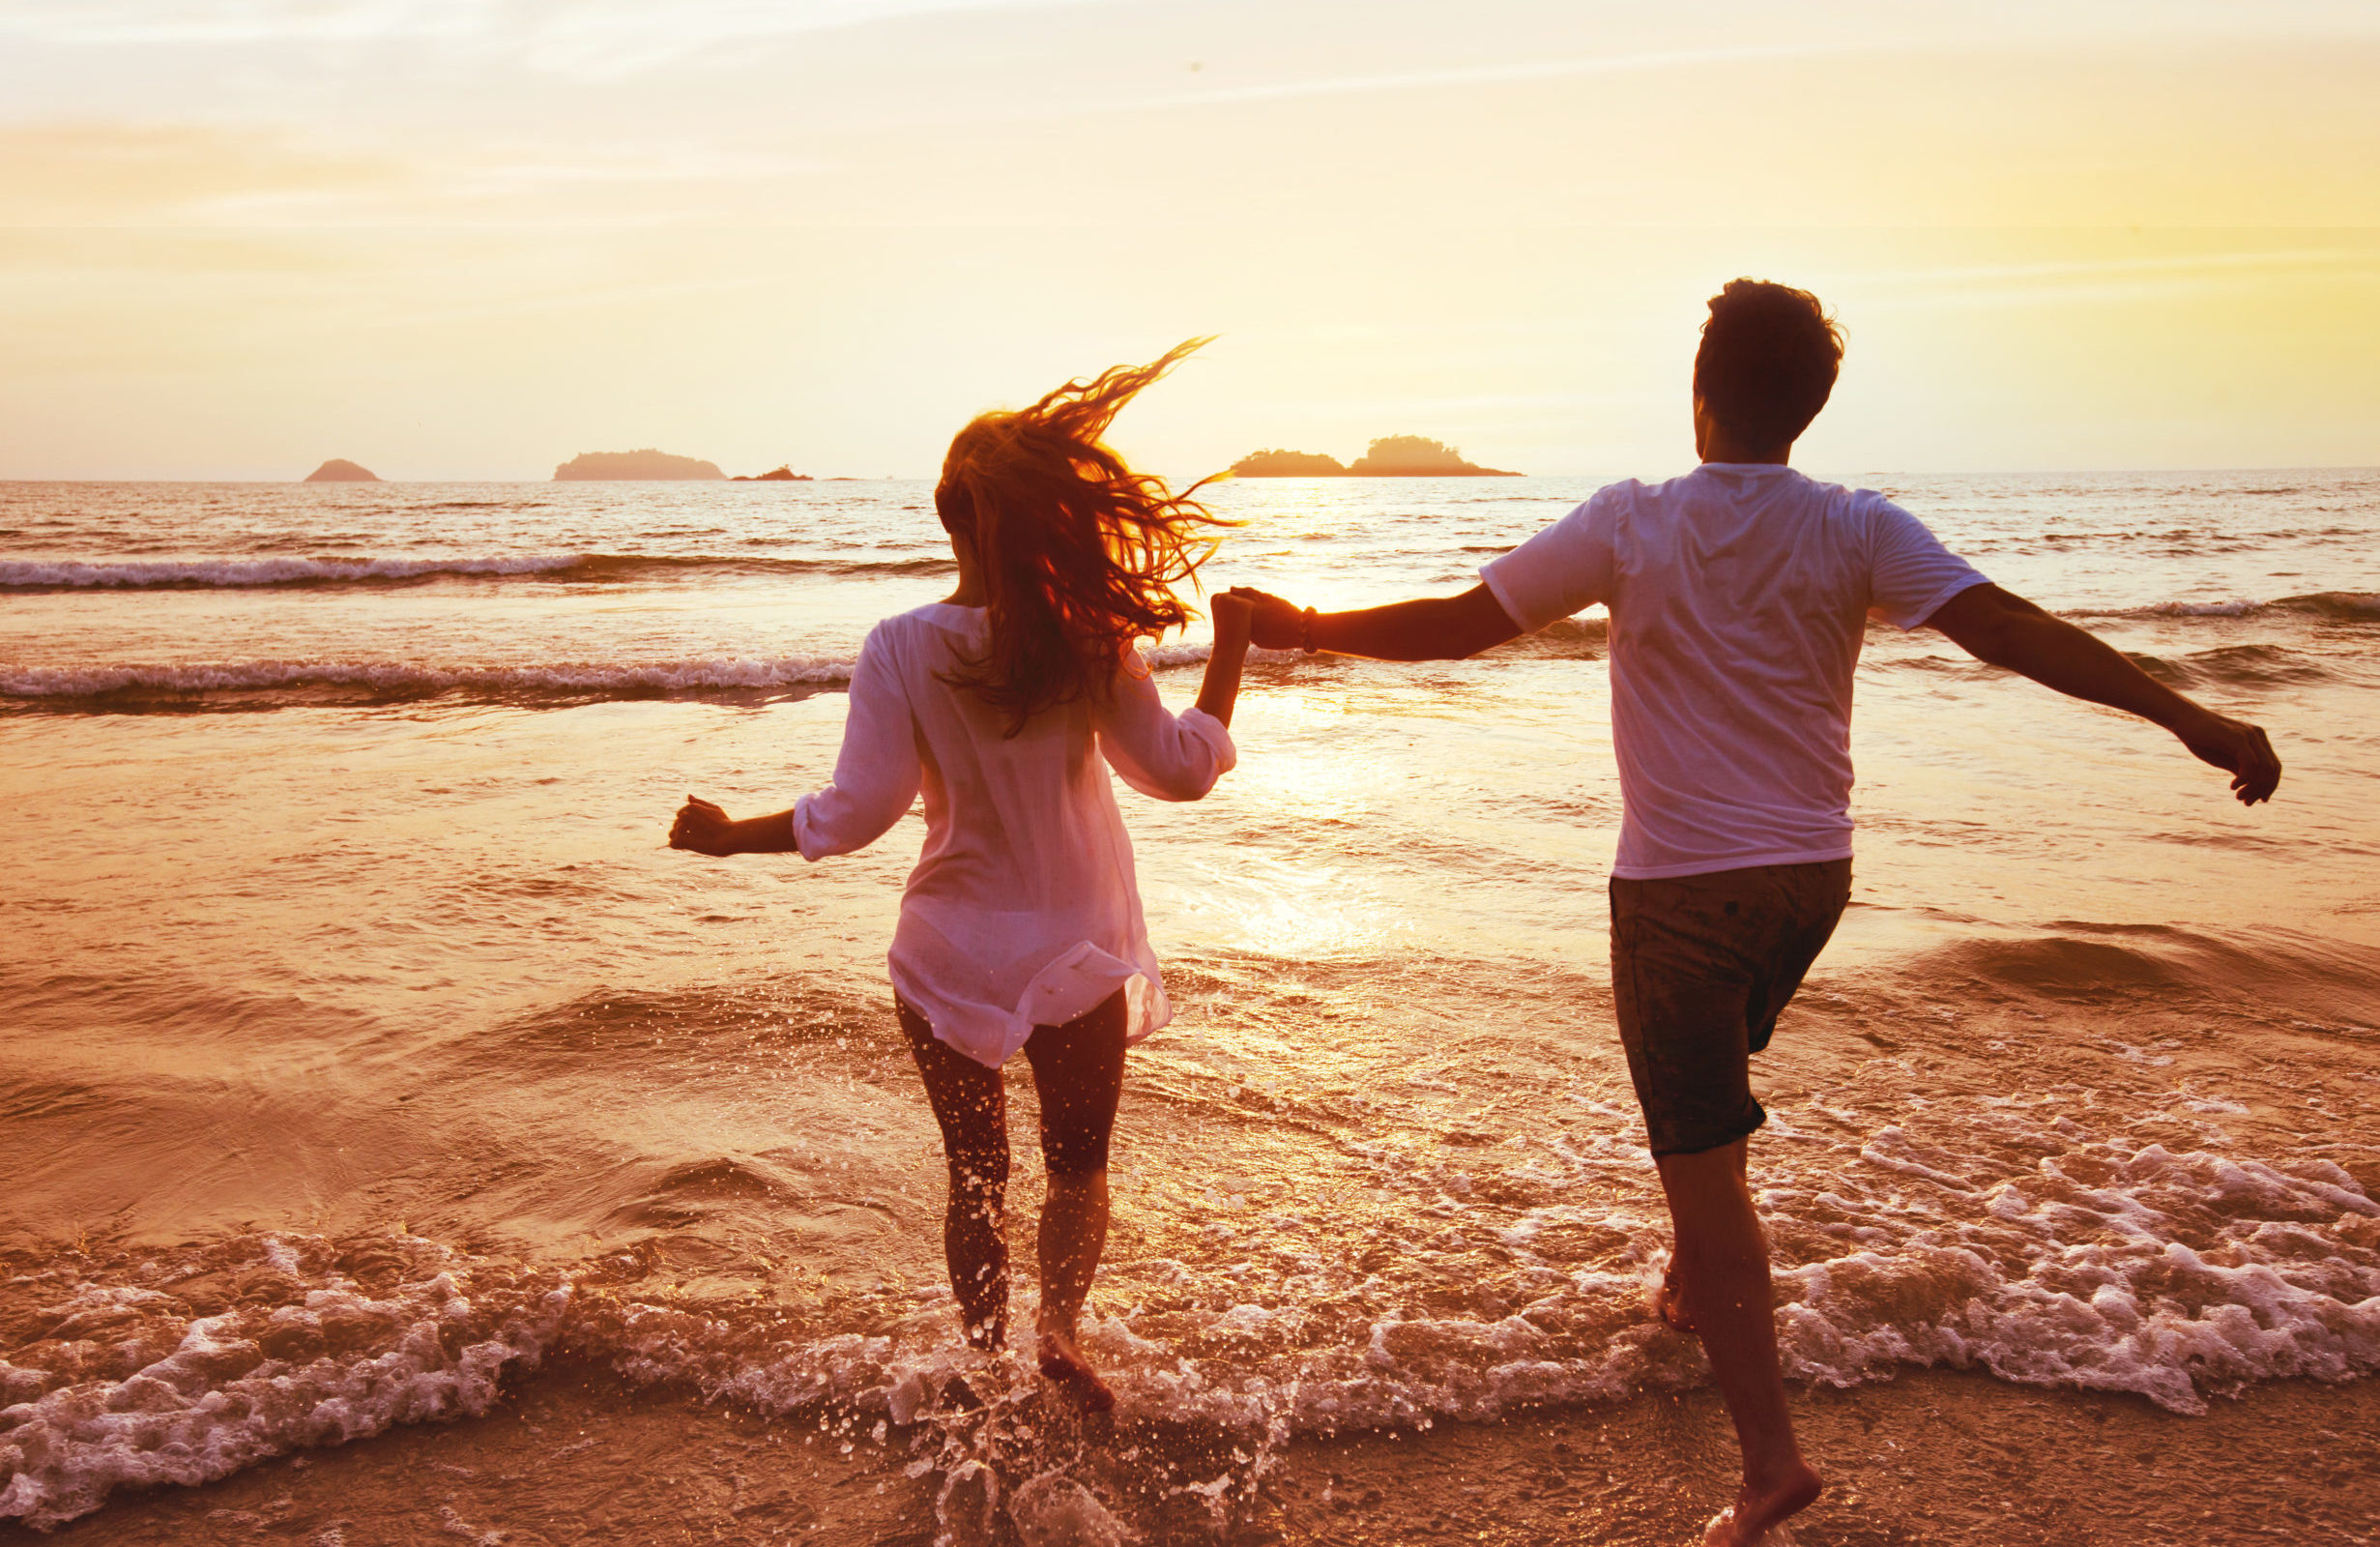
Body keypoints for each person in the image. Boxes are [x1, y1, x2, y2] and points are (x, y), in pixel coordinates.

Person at [1230, 279, 2280, 1545]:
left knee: (1699, 1160)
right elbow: (2004, 628)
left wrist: (1305, 627)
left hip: (1678, 898)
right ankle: (1689, 1275)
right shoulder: (1854, 526)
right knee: (1707, 1118)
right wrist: (2190, 716)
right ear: (1805, 407)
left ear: (1699, 393)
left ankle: (1767, 1465)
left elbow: (1463, 626)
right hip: (1808, 890)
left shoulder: (1633, 522)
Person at [668, 340, 1254, 1414]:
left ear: (947, 515)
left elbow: (856, 815)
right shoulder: (1087, 636)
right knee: (1075, 1167)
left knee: (974, 1176)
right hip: (1075, 944)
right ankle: (1058, 1327)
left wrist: (725, 836)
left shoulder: (900, 644)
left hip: (949, 948)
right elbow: (1176, 773)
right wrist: (1232, 652)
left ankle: (984, 1373)